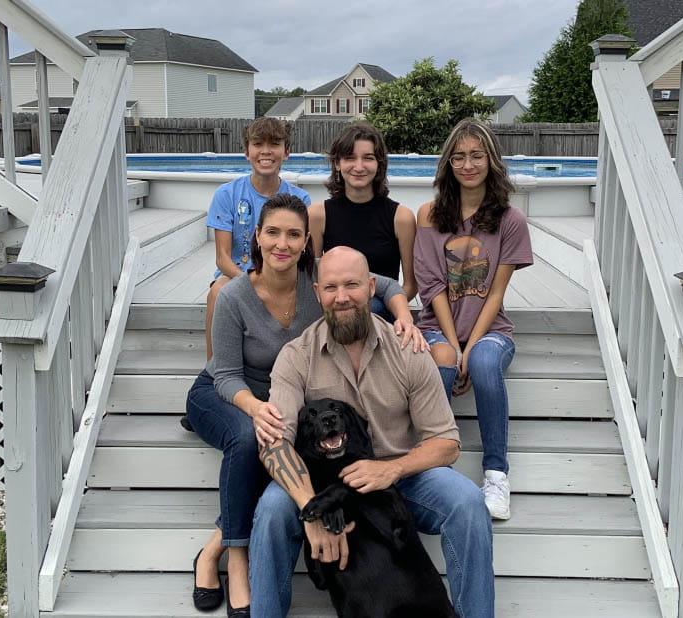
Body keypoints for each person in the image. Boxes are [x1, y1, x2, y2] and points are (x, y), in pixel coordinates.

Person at [185, 195, 424, 615]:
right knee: (250, 436)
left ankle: (219, 545)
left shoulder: (318, 280)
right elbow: (223, 375)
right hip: (224, 392)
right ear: (257, 237)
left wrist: (402, 314)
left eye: (294, 234)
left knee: (281, 439)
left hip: (282, 393)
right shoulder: (233, 296)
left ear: (306, 241)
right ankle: (229, 555)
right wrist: (256, 408)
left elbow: (382, 284)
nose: (283, 243)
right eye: (273, 232)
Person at [249, 246, 494, 618]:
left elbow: (446, 443)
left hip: (402, 478)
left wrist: (391, 469)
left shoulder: (408, 349)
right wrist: (311, 510)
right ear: (317, 293)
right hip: (326, 485)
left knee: (468, 503)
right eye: (330, 287)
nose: (342, 297)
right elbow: (274, 444)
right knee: (270, 509)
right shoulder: (297, 356)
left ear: (371, 287)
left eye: (352, 285)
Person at [414, 118, 533, 521]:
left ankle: (496, 473)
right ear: (448, 163)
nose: (468, 164)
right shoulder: (430, 214)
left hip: (491, 330)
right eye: (459, 156)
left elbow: (496, 292)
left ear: (491, 161)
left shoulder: (510, 220)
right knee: (442, 365)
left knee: (482, 362)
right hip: (435, 326)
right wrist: (453, 344)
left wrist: (470, 347)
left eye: (477, 155)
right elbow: (432, 288)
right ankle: (432, 468)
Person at [204, 117, 311, 359]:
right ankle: (213, 368)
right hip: (236, 275)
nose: (265, 151)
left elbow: (301, 253)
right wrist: (250, 284)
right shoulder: (226, 194)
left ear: (286, 152)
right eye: (257, 143)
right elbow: (222, 258)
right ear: (246, 151)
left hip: (282, 275)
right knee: (218, 292)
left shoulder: (300, 200)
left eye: (274, 143)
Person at [308, 123, 417, 320]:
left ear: (379, 164)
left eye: (368, 158)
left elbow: (410, 285)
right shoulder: (318, 215)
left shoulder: (401, 218)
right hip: (336, 312)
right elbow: (315, 279)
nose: (359, 167)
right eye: (350, 158)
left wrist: (385, 309)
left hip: (381, 311)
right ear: (337, 164)